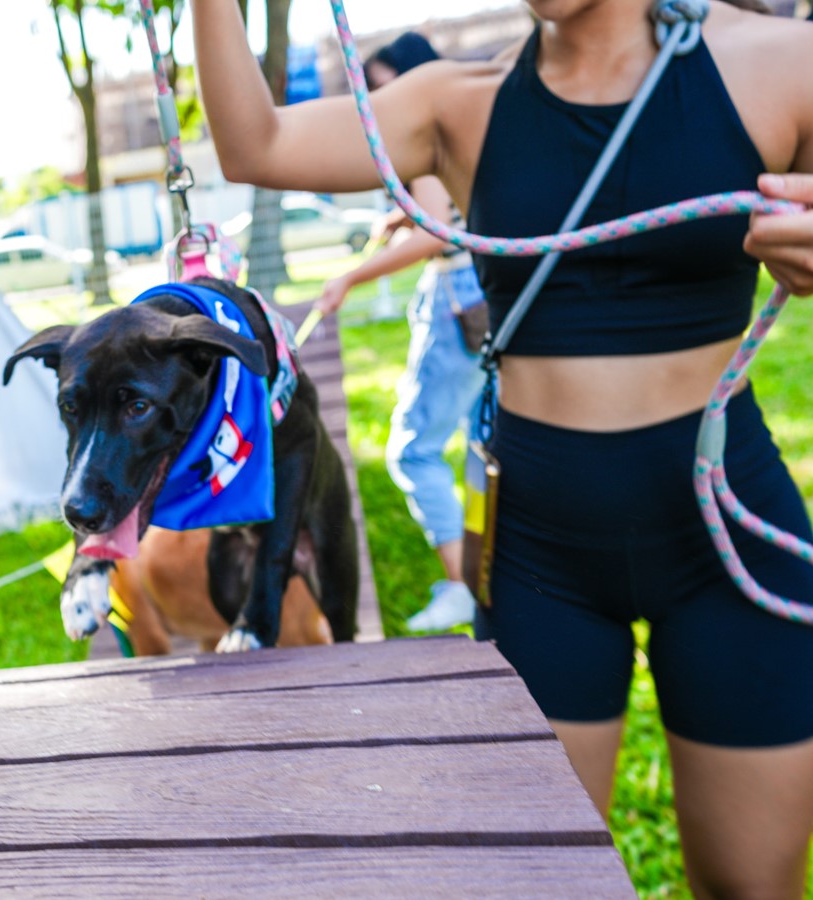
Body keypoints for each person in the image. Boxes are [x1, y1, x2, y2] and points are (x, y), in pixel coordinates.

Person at [191, 1, 813, 896]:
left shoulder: (778, 65)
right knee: (534, 881)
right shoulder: (459, 103)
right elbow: (258, 146)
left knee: (752, 887)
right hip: (541, 555)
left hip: (728, 535)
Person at [318, 31, 487, 633]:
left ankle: (463, 587)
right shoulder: (468, 113)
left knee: (413, 451)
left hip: (456, 293)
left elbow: (437, 232)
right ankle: (483, 577)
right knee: (475, 446)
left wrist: (349, 278)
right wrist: (406, 213)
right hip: (481, 289)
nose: (382, 105)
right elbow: (446, 214)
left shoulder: (428, 125)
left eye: (386, 88)